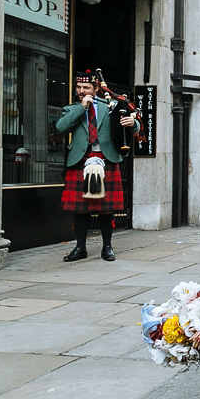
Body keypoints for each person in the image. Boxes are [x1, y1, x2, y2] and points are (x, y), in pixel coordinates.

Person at [56, 70, 139, 262]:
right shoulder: (71, 109)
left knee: (106, 208)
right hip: (81, 160)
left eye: (86, 87)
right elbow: (60, 128)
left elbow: (131, 125)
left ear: (95, 89)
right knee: (81, 208)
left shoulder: (109, 106)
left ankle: (107, 247)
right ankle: (80, 248)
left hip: (106, 158)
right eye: (79, 87)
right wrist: (81, 108)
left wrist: (132, 123)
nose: (82, 91)